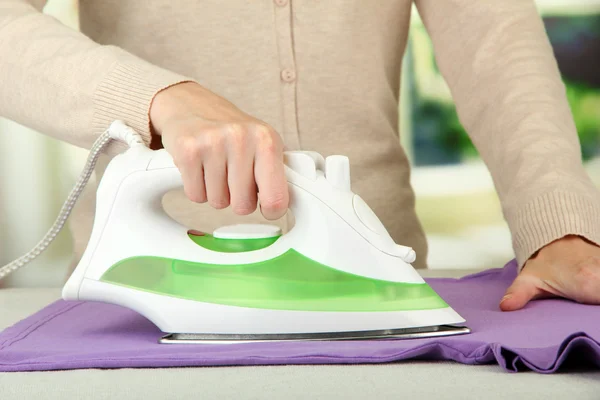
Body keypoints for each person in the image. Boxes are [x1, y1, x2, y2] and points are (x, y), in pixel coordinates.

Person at [0, 0, 598, 311]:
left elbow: (495, 40)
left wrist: (558, 226)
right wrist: (158, 99)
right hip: (143, 296)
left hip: (380, 276)